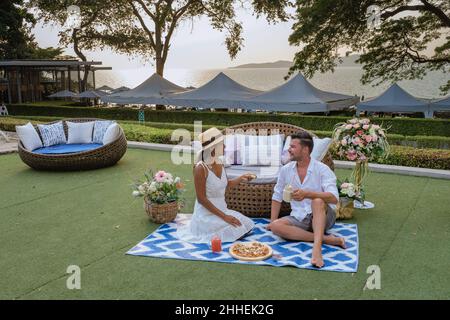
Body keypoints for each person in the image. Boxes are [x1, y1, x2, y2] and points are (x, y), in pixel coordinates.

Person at [267, 131, 346, 268]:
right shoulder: (286, 170)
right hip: (299, 217)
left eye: (292, 147)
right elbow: (277, 195)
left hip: (323, 216)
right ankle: (327, 240)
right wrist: (272, 221)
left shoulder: (322, 169)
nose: (288, 150)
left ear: (305, 150)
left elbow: (334, 198)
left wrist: (308, 194)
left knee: (317, 201)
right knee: (275, 226)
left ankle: (317, 249)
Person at [177, 127, 255, 243]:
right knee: (237, 228)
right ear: (213, 148)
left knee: (248, 224)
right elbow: (201, 199)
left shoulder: (220, 162)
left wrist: (241, 178)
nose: (225, 147)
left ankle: (227, 231)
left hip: (223, 210)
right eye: (222, 144)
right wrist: (224, 217)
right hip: (206, 216)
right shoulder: (200, 168)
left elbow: (226, 184)